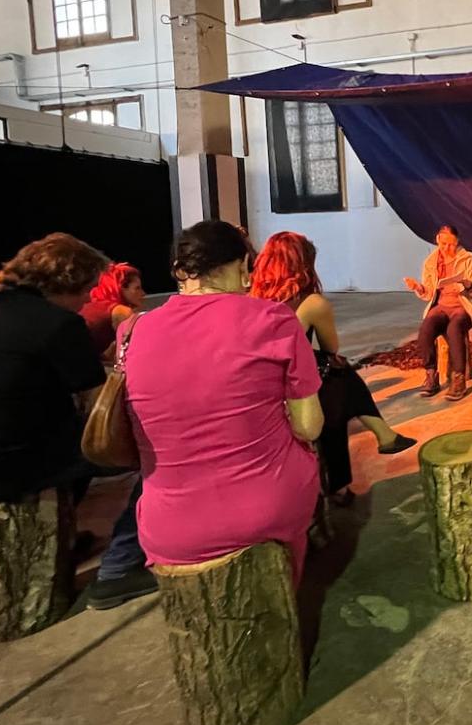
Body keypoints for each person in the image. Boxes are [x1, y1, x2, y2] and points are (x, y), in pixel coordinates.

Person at [0, 233, 154, 609]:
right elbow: (101, 409)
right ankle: (119, 568)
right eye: (88, 288)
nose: (90, 298)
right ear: (67, 282)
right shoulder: (57, 324)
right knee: (159, 451)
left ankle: (66, 534)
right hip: (11, 465)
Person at [122, 221, 325, 588]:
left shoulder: (132, 331)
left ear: (181, 271)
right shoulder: (274, 319)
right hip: (266, 509)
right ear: (244, 265)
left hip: (168, 526)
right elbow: (309, 426)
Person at [250, 231, 416, 506]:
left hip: (261, 381)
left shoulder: (252, 297)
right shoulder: (311, 303)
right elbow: (331, 347)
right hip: (289, 387)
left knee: (334, 377)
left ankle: (383, 436)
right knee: (337, 381)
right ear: (304, 264)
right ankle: (342, 480)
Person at [404, 225, 472, 401]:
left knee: (454, 329)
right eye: (445, 243)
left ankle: (459, 379)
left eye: (452, 244)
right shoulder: (430, 262)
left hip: (461, 306)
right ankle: (431, 375)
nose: (448, 248)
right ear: (438, 240)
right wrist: (418, 288)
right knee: (426, 330)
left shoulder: (467, 258)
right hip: (440, 306)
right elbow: (429, 294)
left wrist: (464, 284)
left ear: (457, 242)